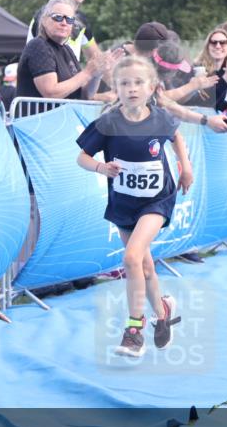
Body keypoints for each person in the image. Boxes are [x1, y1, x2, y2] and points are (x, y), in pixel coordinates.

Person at [76, 56, 190, 357]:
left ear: (151, 87)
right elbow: (82, 158)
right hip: (124, 201)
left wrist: (185, 167)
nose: (132, 89)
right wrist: (102, 168)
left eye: (138, 83)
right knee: (145, 264)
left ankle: (134, 329)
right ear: (116, 88)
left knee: (131, 257)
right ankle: (163, 310)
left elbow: (177, 137)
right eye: (124, 83)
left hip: (157, 199)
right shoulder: (108, 122)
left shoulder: (160, 118)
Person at [16, 0, 112, 104]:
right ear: (44, 20)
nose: (64, 23)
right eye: (58, 17)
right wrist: (87, 72)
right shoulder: (38, 46)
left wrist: (97, 74)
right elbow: (51, 93)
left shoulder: (67, 50)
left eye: (70, 19)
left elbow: (85, 95)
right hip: (39, 119)